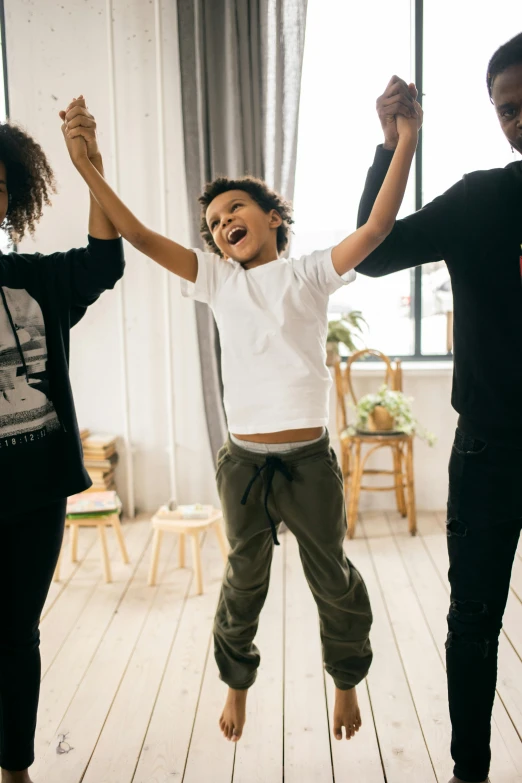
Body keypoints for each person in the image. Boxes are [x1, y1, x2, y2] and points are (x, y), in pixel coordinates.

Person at [60, 92, 421, 743]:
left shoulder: (308, 274)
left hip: (308, 461)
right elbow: (140, 237)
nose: (222, 220)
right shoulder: (219, 281)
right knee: (243, 581)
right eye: (213, 221)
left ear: (272, 216)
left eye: (234, 208)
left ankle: (344, 681)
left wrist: (403, 141)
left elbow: (374, 231)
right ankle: (237, 685)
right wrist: (89, 169)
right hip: (244, 462)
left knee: (331, 575)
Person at [355, 33, 522, 783]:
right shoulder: (483, 198)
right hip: (491, 446)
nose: (519, 120)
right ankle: (470, 770)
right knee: (473, 620)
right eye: (508, 110)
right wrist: (394, 148)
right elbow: (374, 252)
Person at [0, 101, 123, 783]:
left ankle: (15, 767)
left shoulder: (36, 281)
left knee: (16, 635)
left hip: (35, 490)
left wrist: (90, 166)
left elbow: (104, 262)